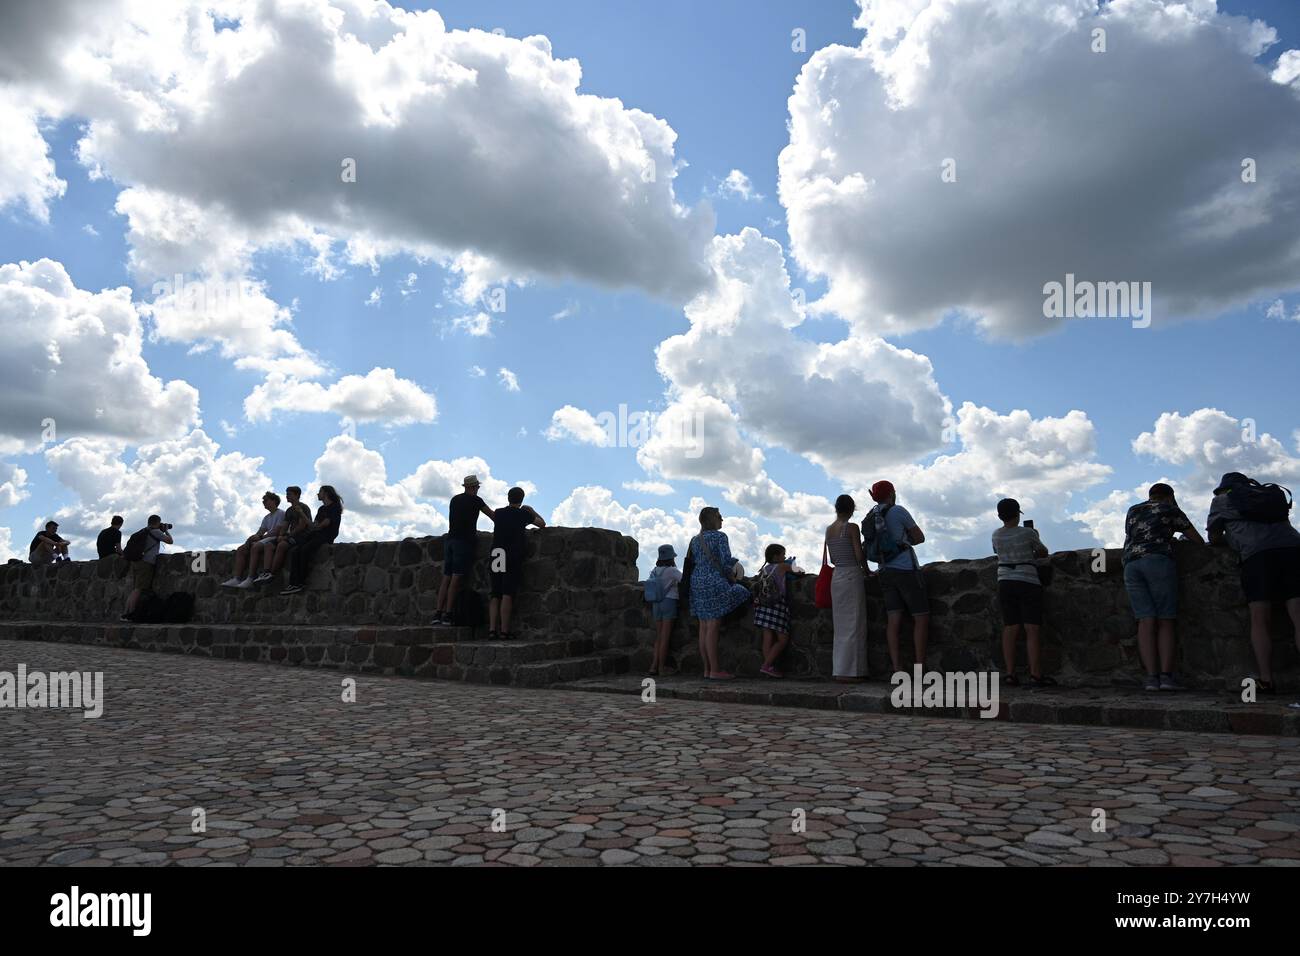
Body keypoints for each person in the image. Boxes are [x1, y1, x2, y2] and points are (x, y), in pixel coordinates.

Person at [1207, 472, 1300, 695]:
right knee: (1298, 615)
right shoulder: (1267, 496)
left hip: (1257, 557)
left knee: (1260, 619)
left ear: (1223, 488)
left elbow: (1213, 537)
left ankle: (1266, 680)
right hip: (1293, 551)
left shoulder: (1221, 500)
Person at [1121, 483, 1204, 691]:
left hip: (1131, 564)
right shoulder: (1170, 509)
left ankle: (1151, 678)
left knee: (1145, 621)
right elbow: (1198, 540)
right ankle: (1166, 677)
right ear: (1170, 497)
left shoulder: (1134, 509)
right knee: (1165, 620)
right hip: (1157, 560)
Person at [863, 480, 929, 674]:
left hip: (884, 571)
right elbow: (919, 537)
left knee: (893, 620)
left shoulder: (872, 516)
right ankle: (920, 667)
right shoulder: (898, 511)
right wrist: (903, 541)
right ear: (892, 492)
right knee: (921, 617)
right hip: (905, 570)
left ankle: (897, 668)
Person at [992, 498, 1055, 687]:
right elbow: (1043, 552)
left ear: (1000, 516)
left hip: (1004, 580)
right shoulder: (1028, 533)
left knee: (1010, 627)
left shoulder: (996, 535)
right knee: (1031, 628)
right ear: (1018, 514)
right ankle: (1036, 675)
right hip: (1027, 580)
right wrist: (1035, 536)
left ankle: (1010, 673)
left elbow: (997, 552)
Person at [687, 507, 750, 680]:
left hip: (697, 581)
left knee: (704, 627)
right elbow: (725, 563)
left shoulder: (695, 540)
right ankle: (715, 670)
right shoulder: (720, 537)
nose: (722, 519)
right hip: (714, 582)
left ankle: (707, 670)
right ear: (711, 519)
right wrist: (734, 579)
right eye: (719, 516)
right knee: (714, 624)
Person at [434, 476, 494, 626]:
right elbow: (492, 516)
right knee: (456, 578)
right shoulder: (476, 501)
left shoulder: (454, 499)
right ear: (473, 487)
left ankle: (437, 613)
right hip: (463, 541)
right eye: (477, 487)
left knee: (446, 577)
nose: (478, 490)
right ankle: (448, 614)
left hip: (450, 540)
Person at [487, 486, 546, 640]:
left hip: (496, 553)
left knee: (495, 593)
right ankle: (505, 631)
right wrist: (531, 511)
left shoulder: (498, 512)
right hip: (511, 554)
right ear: (522, 499)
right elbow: (542, 524)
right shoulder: (523, 514)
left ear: (508, 497)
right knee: (507, 593)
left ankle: (492, 630)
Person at [826, 496, 868, 682]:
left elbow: (833, 560)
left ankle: (839, 669)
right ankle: (852, 672)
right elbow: (858, 555)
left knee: (841, 625)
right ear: (852, 509)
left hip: (837, 577)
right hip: (852, 574)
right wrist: (867, 570)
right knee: (855, 623)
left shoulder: (829, 530)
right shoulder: (851, 528)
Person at [280, 486, 343, 595]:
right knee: (296, 551)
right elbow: (313, 525)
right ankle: (293, 583)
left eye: (320, 492)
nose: (318, 494)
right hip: (316, 534)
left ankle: (300, 582)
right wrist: (302, 514)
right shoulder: (321, 509)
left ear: (326, 493)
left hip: (326, 536)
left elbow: (325, 523)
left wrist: (316, 527)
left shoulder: (335, 507)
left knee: (305, 550)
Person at [221, 492, 285, 589]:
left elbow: (276, 531)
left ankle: (251, 577)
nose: (264, 502)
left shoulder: (281, 513)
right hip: (266, 538)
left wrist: (260, 538)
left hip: (274, 538)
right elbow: (260, 531)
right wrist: (251, 539)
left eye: (266, 500)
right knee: (241, 549)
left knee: (256, 547)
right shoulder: (266, 518)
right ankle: (237, 578)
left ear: (274, 501)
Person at [255, 486, 313, 585]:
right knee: (269, 545)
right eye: (287, 494)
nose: (287, 496)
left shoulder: (303, 507)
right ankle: (266, 572)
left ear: (297, 495)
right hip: (290, 536)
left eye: (289, 494)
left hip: (301, 536)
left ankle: (272, 574)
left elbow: (302, 526)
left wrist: (288, 536)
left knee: (282, 545)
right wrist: (281, 535)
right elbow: (285, 525)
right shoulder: (289, 510)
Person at [754, 543, 795, 678]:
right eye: (783, 554)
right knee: (782, 639)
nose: (784, 557)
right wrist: (792, 563)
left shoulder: (765, 569)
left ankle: (769, 667)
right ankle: (766, 666)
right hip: (777, 606)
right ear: (776, 556)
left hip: (764, 606)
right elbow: (798, 570)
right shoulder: (782, 566)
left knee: (768, 637)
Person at [121, 515, 173, 620]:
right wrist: (166, 531)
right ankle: (128, 614)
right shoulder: (155, 532)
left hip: (137, 561)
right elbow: (170, 541)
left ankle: (127, 613)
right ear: (158, 522)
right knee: (138, 590)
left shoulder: (143, 531)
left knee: (135, 589)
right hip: (146, 563)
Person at [646, 544, 682, 677]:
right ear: (671, 557)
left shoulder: (654, 570)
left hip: (656, 604)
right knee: (665, 637)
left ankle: (653, 666)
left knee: (658, 637)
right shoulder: (671, 571)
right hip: (669, 601)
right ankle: (661, 668)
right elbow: (683, 580)